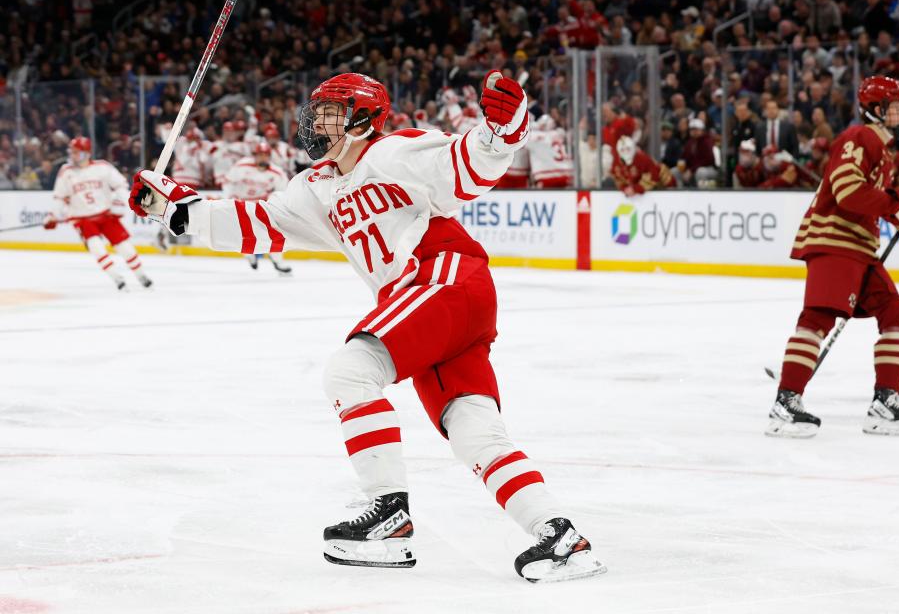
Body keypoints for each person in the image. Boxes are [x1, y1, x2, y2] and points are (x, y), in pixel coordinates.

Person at [129, 71, 606, 583]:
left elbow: (468, 166)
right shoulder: (315, 187)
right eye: (316, 111)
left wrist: (502, 129)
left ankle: (388, 516)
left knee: (351, 371)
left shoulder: (395, 153)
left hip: (443, 277)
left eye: (329, 111)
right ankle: (560, 538)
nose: (315, 121)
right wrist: (179, 209)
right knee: (473, 431)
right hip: (434, 307)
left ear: (362, 117)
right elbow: (260, 224)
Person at [766, 76, 899, 438]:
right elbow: (848, 190)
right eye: (895, 106)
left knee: (897, 313)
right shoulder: (860, 137)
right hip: (835, 242)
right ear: (875, 110)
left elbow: (869, 196)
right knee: (818, 317)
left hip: (860, 250)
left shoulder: (882, 151)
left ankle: (885, 402)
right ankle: (785, 401)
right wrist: (893, 206)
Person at [44, 137, 153, 291]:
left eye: (76, 152)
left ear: (86, 153)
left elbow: (120, 185)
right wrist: (52, 215)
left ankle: (141, 275)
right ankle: (117, 278)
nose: (72, 155)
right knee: (97, 248)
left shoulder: (102, 167)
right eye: (72, 152)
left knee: (125, 247)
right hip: (83, 219)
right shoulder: (66, 172)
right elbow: (59, 198)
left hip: (106, 215)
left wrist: (130, 201)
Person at [222, 141, 292, 274]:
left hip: (262, 208)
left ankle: (278, 261)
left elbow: (282, 193)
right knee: (243, 236)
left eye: (265, 155)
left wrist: (274, 205)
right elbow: (228, 181)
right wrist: (230, 198)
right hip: (242, 206)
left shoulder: (277, 173)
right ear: (255, 155)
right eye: (260, 155)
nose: (262, 158)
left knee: (274, 235)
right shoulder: (242, 165)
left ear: (269, 157)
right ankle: (250, 256)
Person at [611, 135, 675, 196]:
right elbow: (618, 179)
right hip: (638, 190)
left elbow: (653, 176)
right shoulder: (616, 163)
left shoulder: (643, 159)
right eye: (622, 150)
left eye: (628, 149)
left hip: (663, 183)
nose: (625, 152)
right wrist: (625, 188)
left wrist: (636, 189)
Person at [526, 115, 574, 188]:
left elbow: (522, 140)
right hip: (566, 173)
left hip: (547, 175)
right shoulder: (559, 134)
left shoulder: (537, 136)